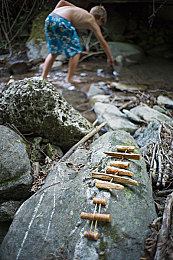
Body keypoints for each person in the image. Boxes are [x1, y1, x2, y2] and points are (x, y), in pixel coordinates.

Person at [41, 0, 114, 83]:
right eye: (100, 24)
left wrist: (56, 15)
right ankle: (69, 79)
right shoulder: (92, 20)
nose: (98, 26)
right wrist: (110, 57)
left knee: (54, 52)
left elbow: (61, 2)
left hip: (50, 18)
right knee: (76, 51)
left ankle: (43, 77)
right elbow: (102, 41)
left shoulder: (80, 11)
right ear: (100, 18)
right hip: (62, 21)